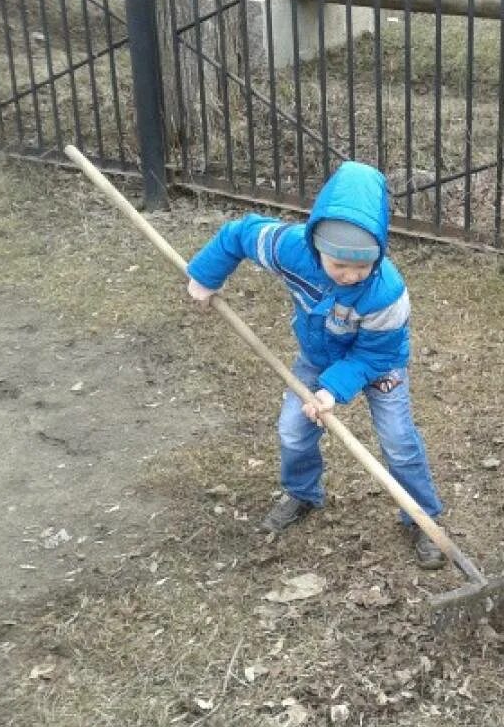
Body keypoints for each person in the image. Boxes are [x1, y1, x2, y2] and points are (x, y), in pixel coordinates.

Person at [185, 161, 447, 570]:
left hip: (380, 366)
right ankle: (303, 493)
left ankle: (421, 517)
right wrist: (206, 276)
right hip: (316, 356)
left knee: (398, 441)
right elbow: (238, 235)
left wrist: (331, 391)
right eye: (339, 265)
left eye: (361, 267)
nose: (349, 275)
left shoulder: (386, 294)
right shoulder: (290, 248)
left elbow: (374, 355)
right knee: (292, 430)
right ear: (316, 246)